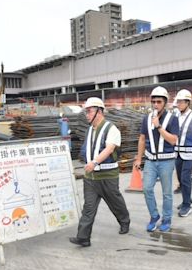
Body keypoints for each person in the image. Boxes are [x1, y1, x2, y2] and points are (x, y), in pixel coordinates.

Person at [69, 97, 130, 247]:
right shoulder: (90, 130)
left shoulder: (112, 129)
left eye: (89, 111)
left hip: (107, 176)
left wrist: (95, 162)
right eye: (86, 112)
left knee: (115, 202)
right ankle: (83, 237)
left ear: (99, 111)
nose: (87, 115)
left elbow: (109, 149)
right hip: (91, 177)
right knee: (88, 208)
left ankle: (124, 221)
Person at [134, 86, 179, 232]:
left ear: (165, 102)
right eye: (153, 101)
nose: (155, 104)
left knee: (167, 192)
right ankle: (154, 216)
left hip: (167, 161)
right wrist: (138, 159)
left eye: (159, 101)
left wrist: (159, 127)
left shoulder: (173, 119)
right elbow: (142, 139)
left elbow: (173, 141)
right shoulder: (146, 119)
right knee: (147, 189)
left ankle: (166, 219)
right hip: (150, 161)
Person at [174, 89, 192, 217]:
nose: (178, 104)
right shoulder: (176, 116)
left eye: (181, 102)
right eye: (178, 102)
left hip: (190, 154)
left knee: (186, 178)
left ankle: (186, 205)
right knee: (181, 179)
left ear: (187, 102)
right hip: (178, 153)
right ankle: (188, 200)